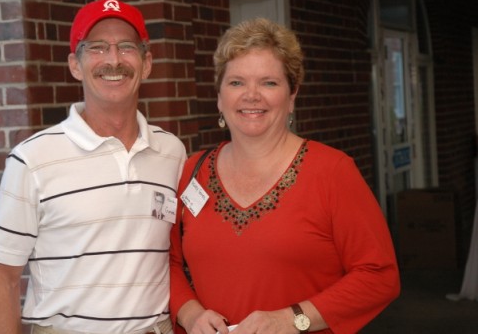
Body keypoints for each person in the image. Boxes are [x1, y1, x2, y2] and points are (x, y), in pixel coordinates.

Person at [169, 18, 400, 334]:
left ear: (292, 96)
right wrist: (190, 313)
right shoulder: (191, 172)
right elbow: (167, 263)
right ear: (219, 97)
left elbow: (379, 275)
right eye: (236, 82)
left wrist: (293, 319)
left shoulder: (332, 171)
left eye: (269, 82)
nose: (252, 95)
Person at [0, 0, 186, 334]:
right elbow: (2, 279)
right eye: (96, 48)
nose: (113, 60)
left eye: (126, 47)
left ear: (147, 63)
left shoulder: (171, 152)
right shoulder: (31, 160)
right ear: (75, 65)